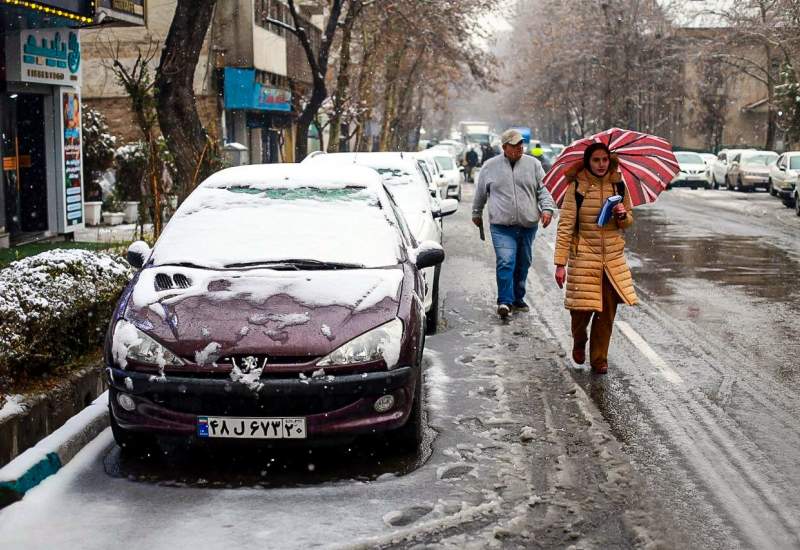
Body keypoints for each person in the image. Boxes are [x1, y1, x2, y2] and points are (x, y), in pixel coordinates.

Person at [553, 142, 639, 374]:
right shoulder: (577, 188)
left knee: (606, 311)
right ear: (588, 162)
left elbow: (628, 221)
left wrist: (622, 215)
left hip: (611, 258)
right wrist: (560, 263)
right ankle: (579, 339)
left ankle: (599, 358)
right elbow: (566, 226)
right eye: (596, 160)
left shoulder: (619, 184)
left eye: (604, 160)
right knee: (580, 310)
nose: (601, 165)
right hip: (583, 256)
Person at [472, 129, 556, 319]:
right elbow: (480, 193)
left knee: (523, 263)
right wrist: (476, 212)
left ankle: (518, 298)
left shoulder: (533, 164)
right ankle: (505, 301)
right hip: (501, 225)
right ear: (504, 147)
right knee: (506, 261)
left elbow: (544, 190)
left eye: (521, 144)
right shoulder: (489, 167)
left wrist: (548, 209)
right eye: (515, 145)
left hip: (527, 224)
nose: (520, 148)